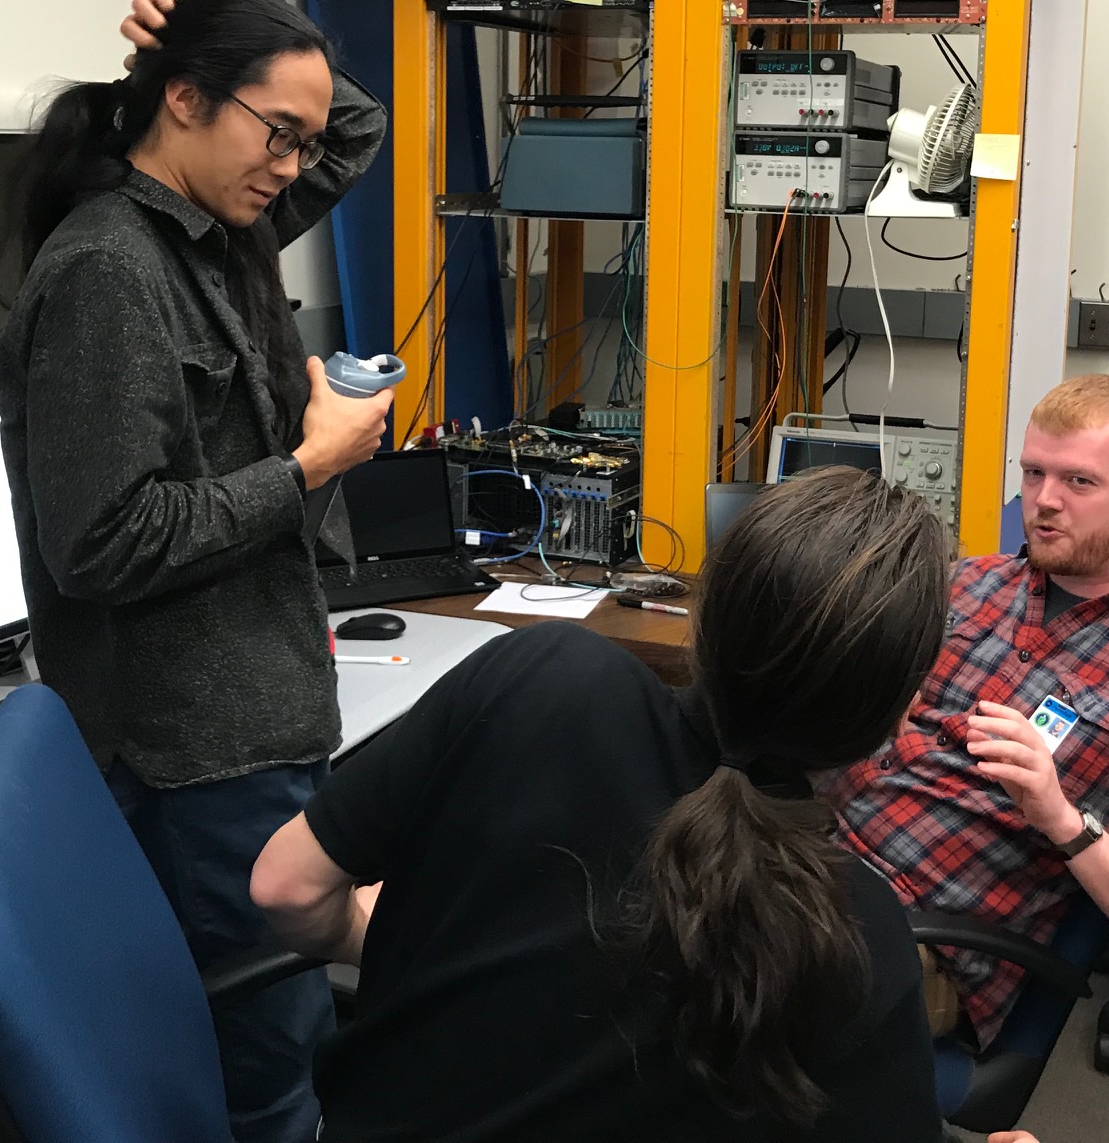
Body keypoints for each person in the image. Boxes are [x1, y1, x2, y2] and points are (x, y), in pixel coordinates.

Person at [249, 468, 1038, 1143]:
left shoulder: (542, 672)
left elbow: (285, 888)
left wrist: (397, 941)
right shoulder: (858, 935)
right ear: (897, 714)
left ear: (705, 615)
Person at [0, 0, 391, 1143]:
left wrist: (216, 47)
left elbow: (355, 127)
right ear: (184, 101)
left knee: (287, 1051)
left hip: (254, 722)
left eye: (299, 141)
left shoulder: (222, 227)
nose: (294, 163)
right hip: (194, 753)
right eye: (278, 134)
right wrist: (309, 468)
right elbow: (101, 542)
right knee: (265, 1078)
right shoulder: (110, 272)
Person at [823, 374, 1109, 1049]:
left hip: (920, 942)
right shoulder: (970, 585)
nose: (1043, 501)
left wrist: (1060, 815)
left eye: (1079, 482)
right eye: (1033, 473)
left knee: (718, 968)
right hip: (814, 855)